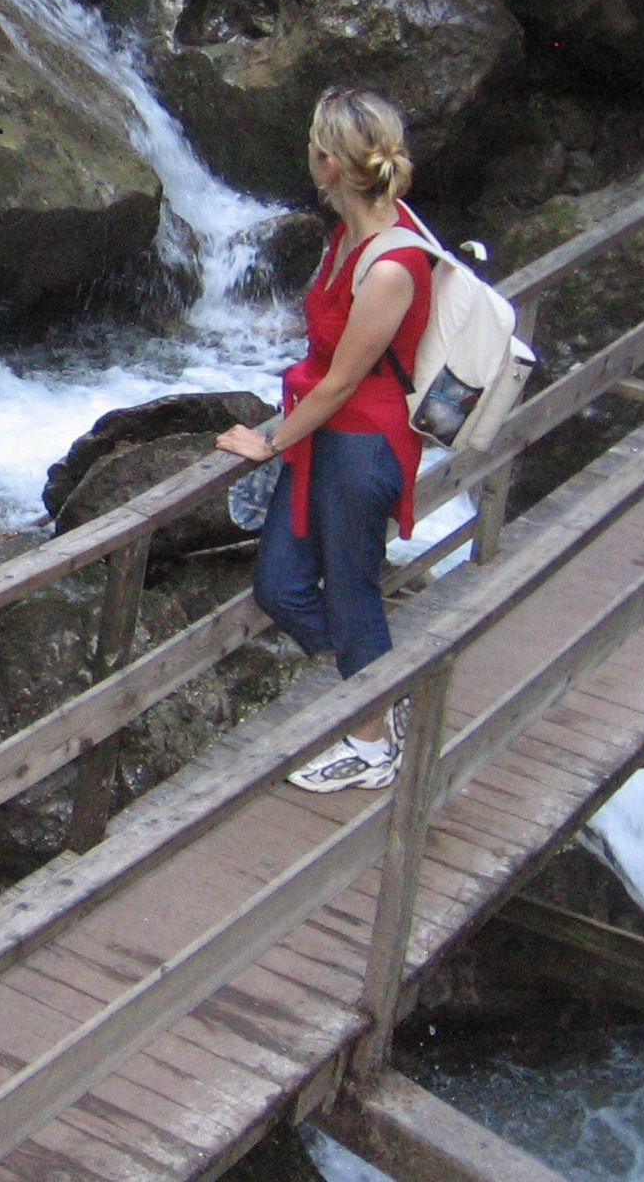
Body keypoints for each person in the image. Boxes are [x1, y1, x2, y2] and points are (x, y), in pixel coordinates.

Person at [218, 87, 432, 793]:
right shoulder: (346, 234)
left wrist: (269, 442)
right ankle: (378, 683)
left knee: (350, 591)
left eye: (314, 146)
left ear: (330, 163)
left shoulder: (391, 266)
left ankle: (373, 744)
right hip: (324, 434)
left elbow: (342, 383)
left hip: (362, 444)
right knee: (280, 585)